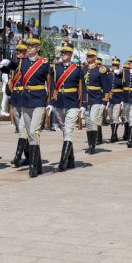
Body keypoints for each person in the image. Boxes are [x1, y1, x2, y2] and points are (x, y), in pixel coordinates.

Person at [14, 37, 50, 177]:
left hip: (39, 100)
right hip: (26, 100)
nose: (29, 47)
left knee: (34, 131)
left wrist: (50, 100)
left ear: (38, 48)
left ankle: (33, 167)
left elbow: (49, 81)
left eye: (32, 46)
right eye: (28, 45)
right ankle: (39, 164)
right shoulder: (23, 62)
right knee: (29, 134)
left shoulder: (44, 63)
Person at [49, 42, 82, 171]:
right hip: (59, 103)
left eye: (66, 52)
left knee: (68, 131)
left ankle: (62, 163)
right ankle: (71, 159)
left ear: (71, 54)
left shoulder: (77, 69)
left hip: (72, 103)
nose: (63, 54)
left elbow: (82, 87)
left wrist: (83, 104)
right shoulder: (55, 68)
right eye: (62, 52)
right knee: (65, 131)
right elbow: (52, 86)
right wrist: (51, 102)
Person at [0, 42, 29, 166]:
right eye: (17, 51)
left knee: (23, 129)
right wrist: (1, 66)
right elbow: (8, 70)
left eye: (21, 51)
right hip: (15, 98)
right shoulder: (16, 64)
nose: (19, 53)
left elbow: (16, 67)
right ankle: (29, 157)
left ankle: (18, 156)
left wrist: (9, 63)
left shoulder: (26, 64)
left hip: (24, 97)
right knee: (20, 128)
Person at [82, 47, 109, 153]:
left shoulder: (100, 69)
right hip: (86, 99)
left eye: (90, 56)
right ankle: (90, 145)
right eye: (87, 56)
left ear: (95, 57)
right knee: (88, 122)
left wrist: (105, 101)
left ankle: (93, 146)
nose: (88, 57)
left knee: (93, 120)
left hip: (96, 98)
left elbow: (106, 87)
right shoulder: (83, 69)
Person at [107, 57, 123, 142]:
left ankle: (113, 134)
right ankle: (114, 133)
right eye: (113, 65)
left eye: (116, 65)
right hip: (110, 98)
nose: (114, 66)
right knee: (110, 117)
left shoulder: (121, 75)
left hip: (118, 97)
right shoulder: (108, 74)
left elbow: (124, 86)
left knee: (115, 116)